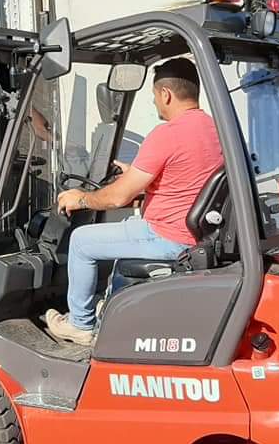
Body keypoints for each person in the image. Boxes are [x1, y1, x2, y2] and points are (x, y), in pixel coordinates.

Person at [45, 58, 224, 345]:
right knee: (128, 224)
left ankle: (80, 324)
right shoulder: (215, 129)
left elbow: (117, 197)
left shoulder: (168, 134)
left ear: (165, 94)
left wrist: (80, 198)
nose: (155, 104)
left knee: (81, 241)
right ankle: (113, 307)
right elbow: (186, 177)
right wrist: (138, 177)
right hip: (196, 233)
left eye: (155, 97)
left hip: (168, 236)